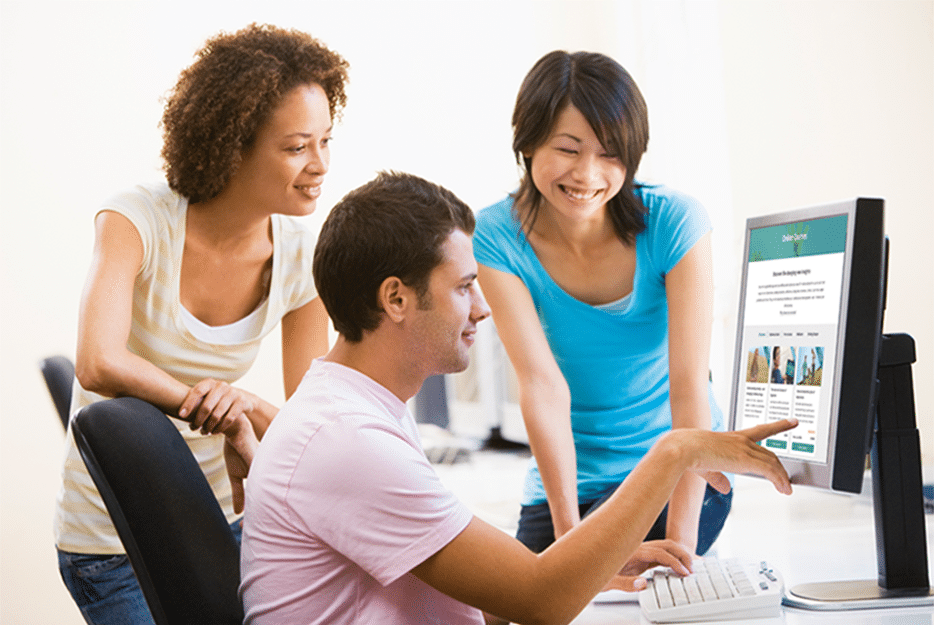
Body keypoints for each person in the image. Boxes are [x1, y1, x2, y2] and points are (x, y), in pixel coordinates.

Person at [239, 171, 797, 625]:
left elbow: (480, 589)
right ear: (397, 299)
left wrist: (598, 569)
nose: (481, 308)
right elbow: (538, 602)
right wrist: (675, 453)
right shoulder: (348, 440)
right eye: (463, 287)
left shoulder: (355, 410)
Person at [54, 24, 349, 625]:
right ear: (233, 143)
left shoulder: (301, 258)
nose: (320, 165)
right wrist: (213, 405)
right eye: (296, 147)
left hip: (225, 523)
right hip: (112, 544)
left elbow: (309, 414)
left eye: (325, 141)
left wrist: (242, 406)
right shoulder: (135, 220)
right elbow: (98, 361)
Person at [472, 50, 729, 558]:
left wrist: (680, 544)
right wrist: (568, 542)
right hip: (564, 484)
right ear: (527, 142)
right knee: (523, 604)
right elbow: (541, 386)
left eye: (611, 153)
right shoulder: (496, 236)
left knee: (623, 586)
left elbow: (689, 387)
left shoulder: (675, 223)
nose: (588, 174)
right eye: (568, 149)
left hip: (668, 473)